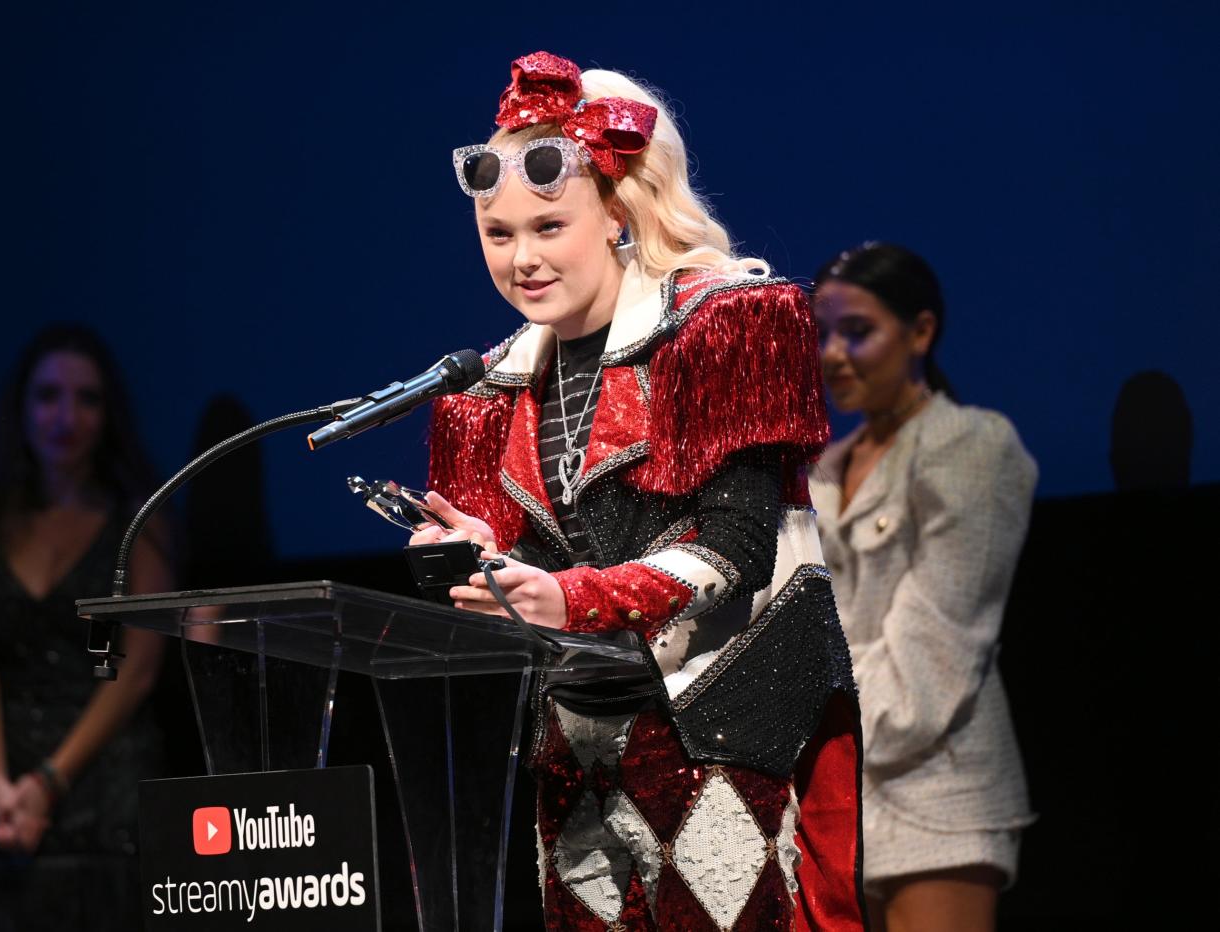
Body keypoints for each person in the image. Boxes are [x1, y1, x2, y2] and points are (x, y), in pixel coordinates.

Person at [410, 51, 865, 930]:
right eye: (499, 234)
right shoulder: (484, 388)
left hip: (721, 732)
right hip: (578, 748)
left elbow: (736, 547)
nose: (522, 258)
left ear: (617, 216)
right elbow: (532, 579)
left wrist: (567, 597)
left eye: (549, 227)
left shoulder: (722, 324)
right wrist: (477, 559)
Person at [809, 242, 1035, 932]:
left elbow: (937, 644)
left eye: (858, 331)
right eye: (823, 334)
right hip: (835, 795)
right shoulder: (822, 467)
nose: (833, 354)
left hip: (937, 787)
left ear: (922, 332)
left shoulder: (970, 445)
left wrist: (822, 743)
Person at [0, 324, 172, 930]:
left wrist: (49, 781)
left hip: (103, 775)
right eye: (47, 396)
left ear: (108, 413)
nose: (65, 416)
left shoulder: (140, 520)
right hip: (2, 781)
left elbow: (138, 671)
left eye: (86, 398)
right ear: (21, 408)